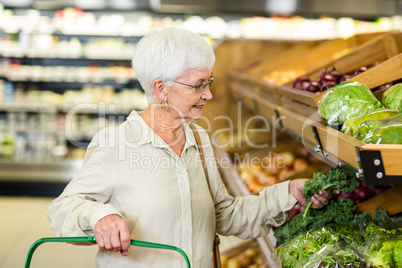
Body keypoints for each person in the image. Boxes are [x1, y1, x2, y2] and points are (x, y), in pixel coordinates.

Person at [47, 27, 332, 268]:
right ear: (161, 89)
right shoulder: (116, 144)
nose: (208, 94)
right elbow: (61, 211)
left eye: (208, 82)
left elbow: (225, 216)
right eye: (197, 86)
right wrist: (100, 216)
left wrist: (288, 192)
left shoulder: (199, 140)